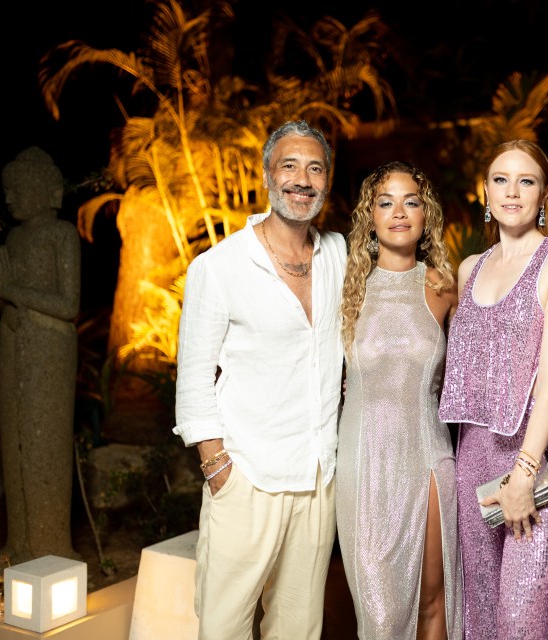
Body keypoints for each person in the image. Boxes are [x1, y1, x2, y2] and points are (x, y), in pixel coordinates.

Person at [172, 120, 347, 640]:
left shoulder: (339, 255)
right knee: (224, 626)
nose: (302, 178)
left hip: (319, 477)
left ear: (327, 181)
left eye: (315, 167)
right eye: (289, 165)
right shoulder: (220, 266)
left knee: (298, 628)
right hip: (246, 474)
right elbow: (194, 375)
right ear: (268, 175)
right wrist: (216, 464)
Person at [438, 139, 548, 639]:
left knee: (526, 616)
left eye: (526, 181)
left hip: (534, 455)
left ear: (545, 194)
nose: (512, 192)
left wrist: (524, 473)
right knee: (480, 606)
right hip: (474, 454)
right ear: (486, 190)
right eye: (501, 179)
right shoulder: (469, 269)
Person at [336, 160, 462, 639]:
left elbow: (474, 375)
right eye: (385, 202)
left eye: (412, 201)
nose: (399, 212)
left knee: (433, 601)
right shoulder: (346, 289)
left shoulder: (444, 288)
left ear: (426, 214)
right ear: (369, 216)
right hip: (362, 464)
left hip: (427, 458)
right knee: (380, 613)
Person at [0, 146, 81, 562]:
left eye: (19, 187)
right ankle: (19, 539)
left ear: (47, 190)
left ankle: (50, 542)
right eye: (8, 189)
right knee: (15, 441)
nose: (11, 197)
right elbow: (6, 299)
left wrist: (12, 293)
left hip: (49, 349)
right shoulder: (15, 237)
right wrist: (0, 293)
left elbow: (68, 305)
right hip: (13, 345)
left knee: (46, 444)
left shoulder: (62, 235)